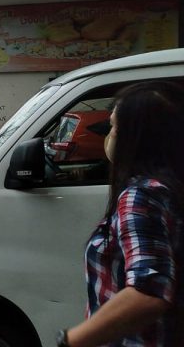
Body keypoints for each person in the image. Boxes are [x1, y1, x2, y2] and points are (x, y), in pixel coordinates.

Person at [59, 81, 184, 347]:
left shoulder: (142, 195)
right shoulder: (171, 188)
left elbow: (148, 291)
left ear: (140, 137)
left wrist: (70, 341)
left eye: (115, 126)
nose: (109, 134)